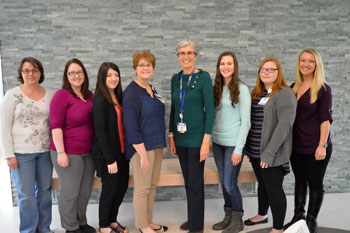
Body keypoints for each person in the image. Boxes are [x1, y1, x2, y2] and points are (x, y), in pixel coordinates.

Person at [0, 57, 54, 233]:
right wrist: (9, 155)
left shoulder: (50, 94)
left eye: (35, 70)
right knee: (27, 196)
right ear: (21, 73)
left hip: (45, 153)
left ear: (40, 73)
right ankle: (29, 230)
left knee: (45, 192)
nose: (31, 74)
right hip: (21, 155)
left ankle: (44, 228)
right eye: (27, 70)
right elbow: (4, 127)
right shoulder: (12, 95)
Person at [244, 57, 297, 233]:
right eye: (263, 69)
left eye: (271, 69)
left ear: (278, 72)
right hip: (255, 151)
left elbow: (284, 127)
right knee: (263, 184)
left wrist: (269, 153)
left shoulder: (284, 93)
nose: (266, 72)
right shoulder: (257, 93)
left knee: (274, 189)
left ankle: (278, 227)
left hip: (272, 153)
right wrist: (247, 148)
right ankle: (262, 214)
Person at [283, 49, 332, 233]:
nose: (306, 64)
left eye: (310, 61)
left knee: (315, 184)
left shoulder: (324, 89)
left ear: (316, 64)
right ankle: (298, 217)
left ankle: (311, 220)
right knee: (300, 182)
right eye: (302, 60)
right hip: (297, 146)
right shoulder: (294, 86)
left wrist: (322, 145)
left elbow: (325, 120)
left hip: (315, 145)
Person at [169, 40, 215, 233]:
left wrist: (206, 142)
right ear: (178, 56)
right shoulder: (175, 79)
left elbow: (210, 111)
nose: (185, 56)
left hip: (197, 140)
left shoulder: (204, 78)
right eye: (181, 53)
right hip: (180, 139)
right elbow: (173, 109)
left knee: (195, 183)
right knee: (189, 182)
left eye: (189, 52)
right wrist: (171, 136)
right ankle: (193, 217)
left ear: (195, 56)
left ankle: (196, 228)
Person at [123, 50, 168, 233]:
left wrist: (162, 144)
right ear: (135, 68)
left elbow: (158, 118)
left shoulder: (151, 89)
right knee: (142, 188)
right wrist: (142, 155)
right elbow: (131, 127)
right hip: (141, 149)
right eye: (141, 65)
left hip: (156, 146)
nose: (145, 68)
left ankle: (148, 221)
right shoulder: (131, 93)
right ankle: (142, 226)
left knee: (152, 186)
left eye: (148, 65)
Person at [50, 58, 95, 233]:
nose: (76, 76)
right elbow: (55, 127)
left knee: (84, 192)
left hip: (88, 152)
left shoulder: (89, 95)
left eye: (79, 72)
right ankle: (71, 227)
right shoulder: (61, 95)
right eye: (72, 73)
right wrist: (61, 152)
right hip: (67, 152)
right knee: (71, 191)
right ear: (66, 76)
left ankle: (81, 222)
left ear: (84, 74)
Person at [211, 51, 251, 233]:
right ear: (218, 67)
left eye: (229, 64)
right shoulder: (216, 88)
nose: (225, 67)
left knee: (229, 184)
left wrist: (238, 149)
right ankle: (228, 216)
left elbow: (246, 122)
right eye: (222, 64)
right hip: (218, 143)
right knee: (223, 181)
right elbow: (215, 116)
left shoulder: (242, 89)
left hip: (233, 144)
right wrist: (211, 139)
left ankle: (237, 219)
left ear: (235, 67)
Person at [92, 62, 129, 233]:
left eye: (116, 75)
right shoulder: (100, 99)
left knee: (121, 189)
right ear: (102, 78)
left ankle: (113, 220)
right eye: (109, 75)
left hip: (121, 152)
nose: (114, 79)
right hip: (108, 155)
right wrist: (110, 159)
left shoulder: (118, 96)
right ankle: (104, 226)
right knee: (109, 190)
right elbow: (100, 132)